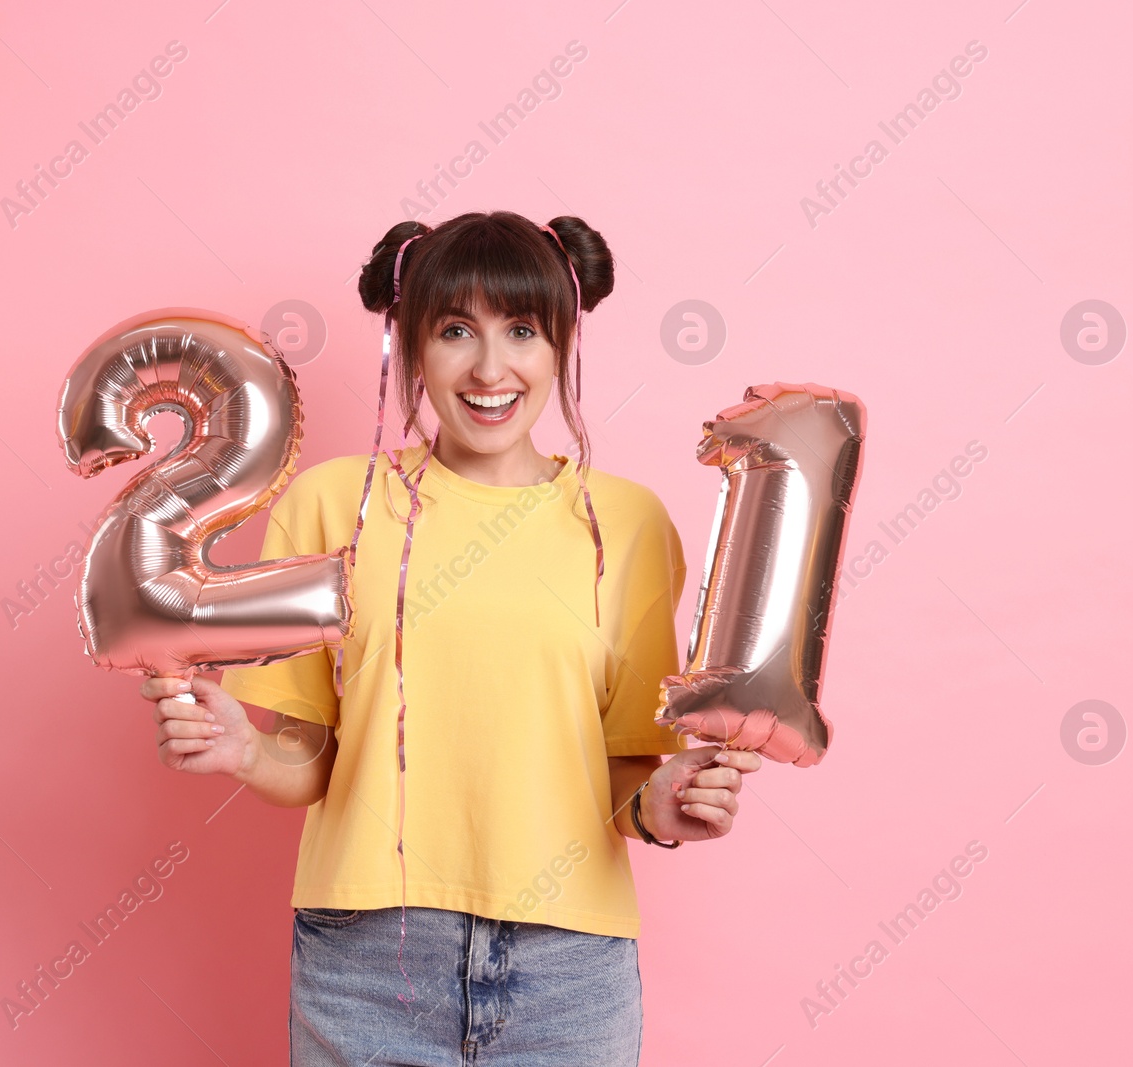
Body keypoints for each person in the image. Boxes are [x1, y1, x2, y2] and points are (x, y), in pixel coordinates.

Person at [139, 211, 763, 1066]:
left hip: (568, 970)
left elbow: (622, 771)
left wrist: (662, 808)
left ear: (562, 347)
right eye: (455, 330)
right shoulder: (332, 505)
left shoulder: (629, 524)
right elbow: (312, 762)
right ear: (409, 344)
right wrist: (242, 748)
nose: (490, 367)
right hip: (368, 961)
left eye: (522, 331)